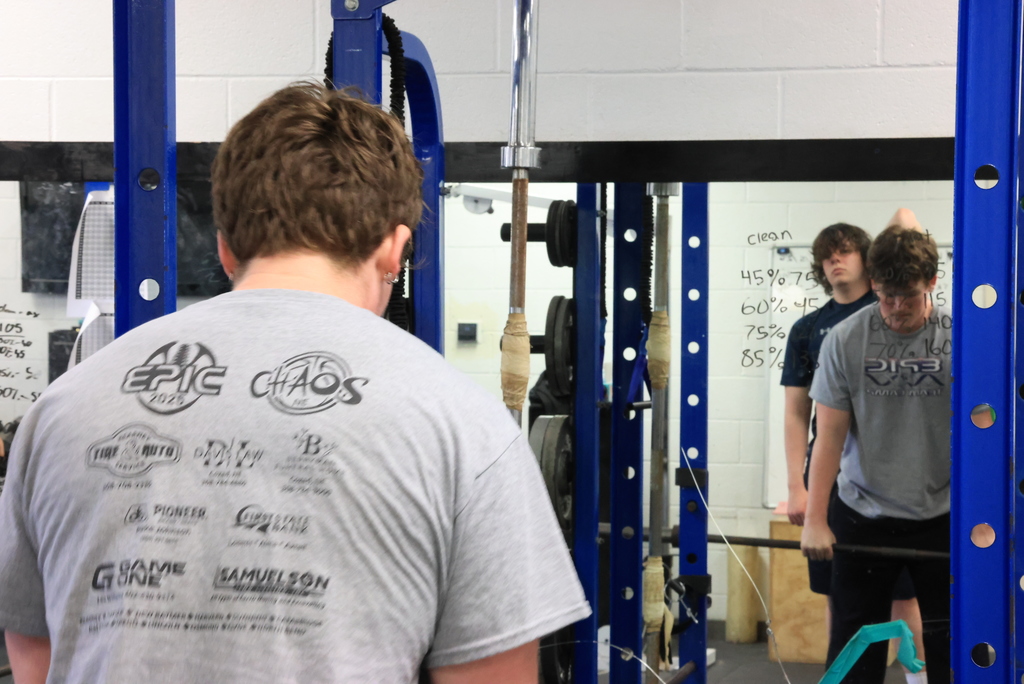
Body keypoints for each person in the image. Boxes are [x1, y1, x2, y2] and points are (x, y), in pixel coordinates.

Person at [0, 83, 591, 684]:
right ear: (395, 250)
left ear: (227, 248)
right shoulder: (467, 430)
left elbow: (38, 657)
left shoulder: (62, 409)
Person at [801, 210, 950, 684]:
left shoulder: (961, 337)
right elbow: (829, 437)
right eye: (885, 296)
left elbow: (988, 429)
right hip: (863, 514)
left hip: (943, 515)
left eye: (906, 297)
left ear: (931, 281)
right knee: (854, 649)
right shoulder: (846, 339)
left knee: (951, 644)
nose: (894, 309)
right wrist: (815, 519)